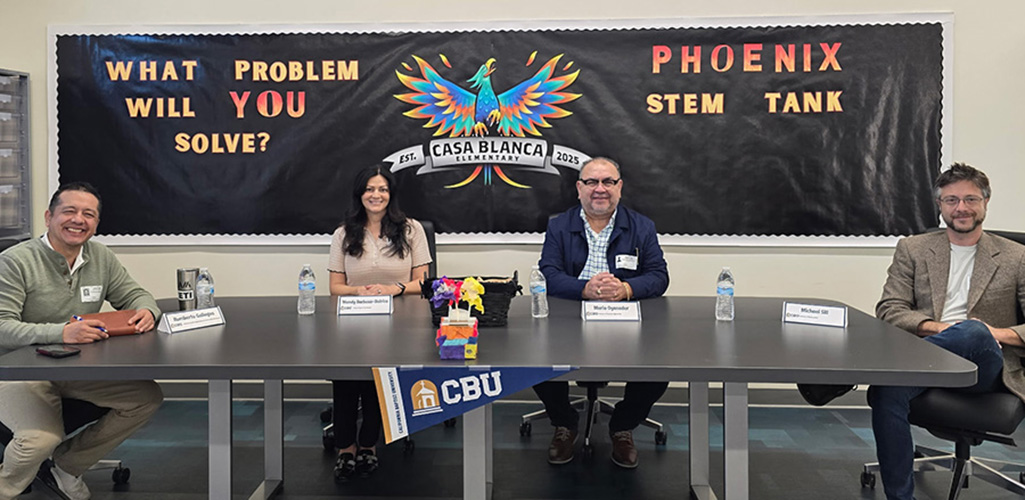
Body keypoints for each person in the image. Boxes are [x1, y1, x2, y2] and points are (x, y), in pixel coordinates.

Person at [0, 182, 163, 500]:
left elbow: (135, 295)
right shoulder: (15, 262)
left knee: (146, 396)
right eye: (69, 211)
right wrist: (60, 332)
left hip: (71, 366)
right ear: (49, 216)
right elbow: (2, 327)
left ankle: (67, 466)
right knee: (39, 439)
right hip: (17, 370)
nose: (79, 219)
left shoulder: (99, 255)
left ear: (96, 223)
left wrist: (147, 310)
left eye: (88, 214)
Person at [872, 163, 1025, 500]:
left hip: (986, 366)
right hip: (926, 362)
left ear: (985, 202)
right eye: (952, 200)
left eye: (971, 199)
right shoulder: (913, 249)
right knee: (885, 391)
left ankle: (851, 373)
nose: (962, 208)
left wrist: (994, 332)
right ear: (939, 205)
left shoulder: (1017, 257)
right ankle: (901, 497)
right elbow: (889, 310)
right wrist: (940, 328)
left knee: (972, 333)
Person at [535, 156, 670, 468]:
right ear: (579, 189)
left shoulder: (642, 227)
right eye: (592, 182)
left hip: (625, 320)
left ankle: (622, 426)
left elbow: (659, 276)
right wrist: (584, 288)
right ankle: (565, 423)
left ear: (619, 188)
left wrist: (625, 289)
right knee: (536, 357)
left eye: (607, 182)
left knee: (661, 367)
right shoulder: (559, 225)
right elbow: (549, 274)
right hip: (570, 318)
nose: (600, 189)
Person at [327, 165, 432, 481]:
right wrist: (360, 290)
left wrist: (393, 288)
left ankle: (369, 446)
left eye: (382, 189)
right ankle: (345, 448)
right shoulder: (343, 233)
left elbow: (424, 283)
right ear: (360, 194)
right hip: (353, 322)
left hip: (399, 322)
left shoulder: (411, 230)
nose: (376, 195)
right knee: (346, 378)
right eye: (370, 189)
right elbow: (335, 287)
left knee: (378, 378)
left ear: (391, 194)